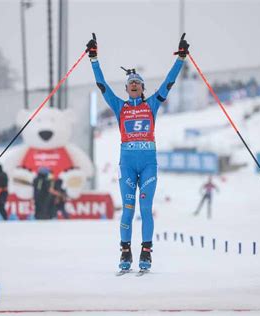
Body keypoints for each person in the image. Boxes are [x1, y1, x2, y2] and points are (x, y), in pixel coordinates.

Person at [87, 33, 190, 271]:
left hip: (148, 165)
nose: (133, 85)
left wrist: (181, 58)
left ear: (142, 88)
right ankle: (125, 251)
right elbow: (102, 86)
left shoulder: (151, 104)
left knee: (145, 208)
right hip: (128, 165)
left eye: (138, 83)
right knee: (128, 209)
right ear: (126, 88)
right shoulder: (119, 106)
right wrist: (94, 59)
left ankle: (146, 251)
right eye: (130, 83)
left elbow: (169, 83)